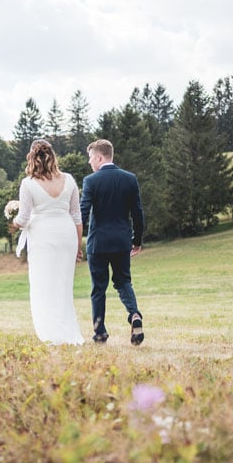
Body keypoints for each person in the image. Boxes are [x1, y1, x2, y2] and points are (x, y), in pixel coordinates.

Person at [11, 139, 85, 345]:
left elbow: (24, 219)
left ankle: (51, 332)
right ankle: (68, 332)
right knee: (63, 285)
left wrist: (13, 221)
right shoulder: (69, 180)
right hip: (66, 235)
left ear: (32, 158)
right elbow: (77, 217)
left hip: (42, 236)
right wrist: (78, 246)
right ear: (53, 156)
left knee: (43, 284)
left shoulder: (28, 184)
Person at [80, 138, 145, 345]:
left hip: (98, 243)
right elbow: (138, 212)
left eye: (91, 158)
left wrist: (76, 239)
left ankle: (100, 332)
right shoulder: (130, 179)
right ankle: (134, 314)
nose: (90, 162)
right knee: (123, 281)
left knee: (98, 288)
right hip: (121, 242)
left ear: (99, 157)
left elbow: (83, 213)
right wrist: (137, 239)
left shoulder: (91, 181)